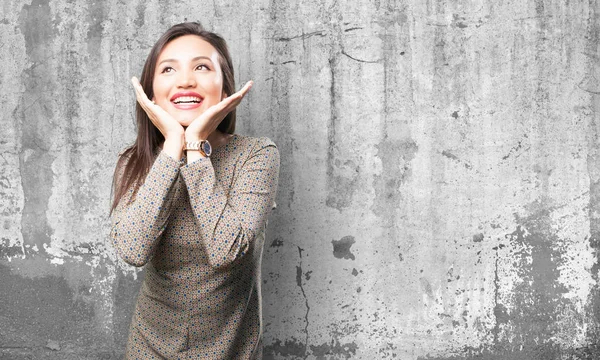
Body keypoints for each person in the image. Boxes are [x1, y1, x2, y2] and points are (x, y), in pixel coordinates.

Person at [110, 22, 279, 359]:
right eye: (168, 69)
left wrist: (195, 150)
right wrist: (173, 148)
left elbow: (226, 252)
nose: (186, 80)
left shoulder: (257, 155)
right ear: (152, 91)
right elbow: (131, 249)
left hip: (231, 349)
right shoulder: (135, 161)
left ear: (225, 86)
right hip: (149, 346)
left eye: (202, 67)